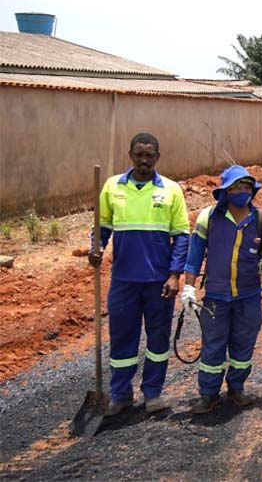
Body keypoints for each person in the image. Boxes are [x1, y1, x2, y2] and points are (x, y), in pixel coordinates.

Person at [181, 165, 262, 414]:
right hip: (215, 298)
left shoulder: (260, 221)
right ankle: (209, 394)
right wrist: (189, 288)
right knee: (213, 346)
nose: (241, 191)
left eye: (246, 187)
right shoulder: (209, 218)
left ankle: (236, 388)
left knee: (243, 345)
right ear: (225, 191)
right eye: (236, 187)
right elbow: (194, 257)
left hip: (248, 297)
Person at [89, 132, 189, 415]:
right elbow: (102, 228)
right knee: (122, 338)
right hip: (123, 280)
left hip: (159, 282)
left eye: (149, 155)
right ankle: (121, 394)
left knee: (158, 340)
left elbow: (182, 235)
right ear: (130, 155)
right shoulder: (112, 187)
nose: (144, 160)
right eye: (139, 154)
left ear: (157, 157)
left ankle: (152, 394)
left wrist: (174, 275)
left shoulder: (171, 190)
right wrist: (95, 248)